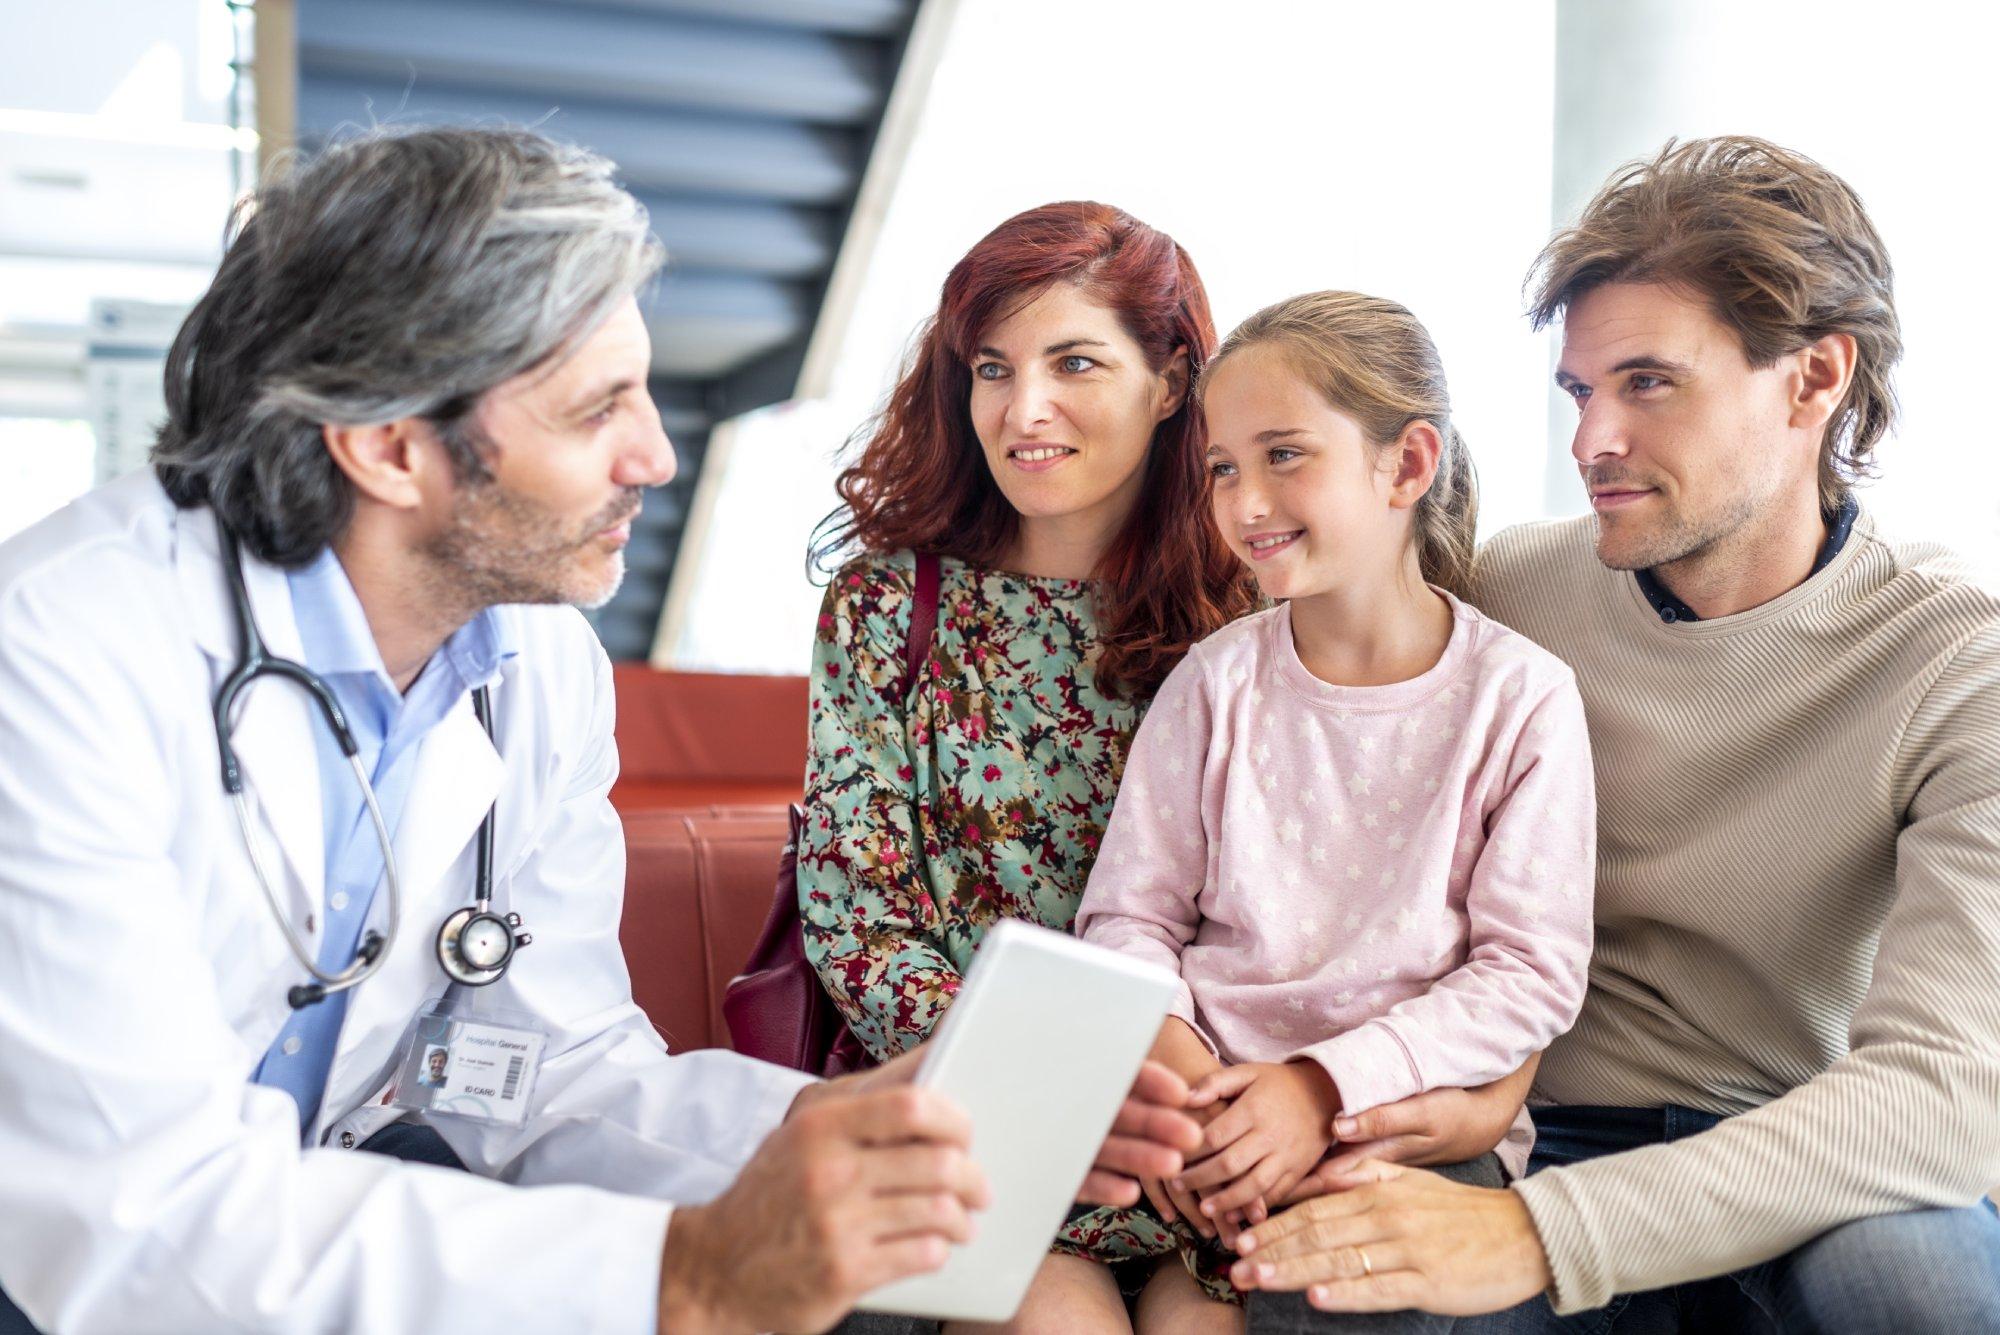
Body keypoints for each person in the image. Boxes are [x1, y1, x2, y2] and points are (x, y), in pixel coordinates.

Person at [0, 127, 1200, 1335]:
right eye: (597, 411)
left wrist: (847, 1136)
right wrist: (684, 1275)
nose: (657, 456)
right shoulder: (54, 664)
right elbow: (133, 1226)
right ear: (389, 445)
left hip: (332, 1222)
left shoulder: (534, 662)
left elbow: (551, 1078)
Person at [1225, 137, 2000, 1332]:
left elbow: (1948, 1094)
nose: (1591, 441)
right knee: (1338, 1288)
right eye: (1581, 392)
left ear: (1811, 380)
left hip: (1807, 1154)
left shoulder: (1959, 660)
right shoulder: (1497, 600)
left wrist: (1531, 1239)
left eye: (1648, 383)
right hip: (1531, 1128)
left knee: (1926, 1291)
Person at [1074, 292, 1595, 1334]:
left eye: (1283, 456)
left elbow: (1528, 973)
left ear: (1405, 466)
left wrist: (1317, 1090)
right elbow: (1127, 918)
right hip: (1203, 1140)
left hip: (1408, 1144)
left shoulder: (1519, 698)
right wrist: (1191, 1090)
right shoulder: (1213, 685)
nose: (1244, 500)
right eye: (1223, 467)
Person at [799, 201, 1265, 1334]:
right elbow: (857, 918)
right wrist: (1048, 1097)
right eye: (992, 369)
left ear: (1170, 385)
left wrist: (1190, 1110)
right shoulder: (884, 606)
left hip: (1199, 1140)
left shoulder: (1253, 619)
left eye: (1073, 363)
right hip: (967, 1123)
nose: (1024, 410)